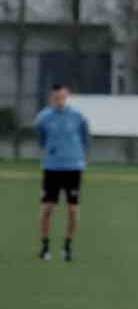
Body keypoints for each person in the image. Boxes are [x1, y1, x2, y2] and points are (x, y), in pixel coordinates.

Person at [35, 83, 90, 263]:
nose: (59, 100)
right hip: (52, 168)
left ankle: (67, 246)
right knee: (47, 208)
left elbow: (85, 138)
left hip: (73, 168)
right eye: (56, 97)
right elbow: (42, 140)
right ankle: (45, 247)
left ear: (67, 96)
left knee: (73, 209)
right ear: (51, 97)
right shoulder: (43, 118)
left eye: (62, 97)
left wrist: (80, 157)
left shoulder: (78, 117)